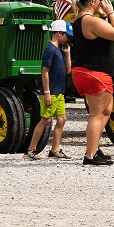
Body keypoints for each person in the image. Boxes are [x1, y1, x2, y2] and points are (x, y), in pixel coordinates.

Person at [70, 0, 114, 166]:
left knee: (107, 111)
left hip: (86, 72)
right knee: (96, 114)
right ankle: (90, 155)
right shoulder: (90, 21)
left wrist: (103, 14)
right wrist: (111, 12)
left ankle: (94, 148)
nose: (104, 2)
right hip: (94, 73)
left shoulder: (80, 20)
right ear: (93, 2)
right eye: (101, 0)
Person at [24, 18, 73, 161]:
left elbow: (67, 71)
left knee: (62, 119)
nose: (68, 39)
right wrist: (46, 92)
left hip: (59, 92)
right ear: (59, 33)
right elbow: (45, 72)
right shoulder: (50, 50)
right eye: (67, 36)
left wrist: (68, 54)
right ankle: (31, 150)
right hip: (51, 92)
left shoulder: (60, 50)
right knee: (45, 120)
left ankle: (55, 149)